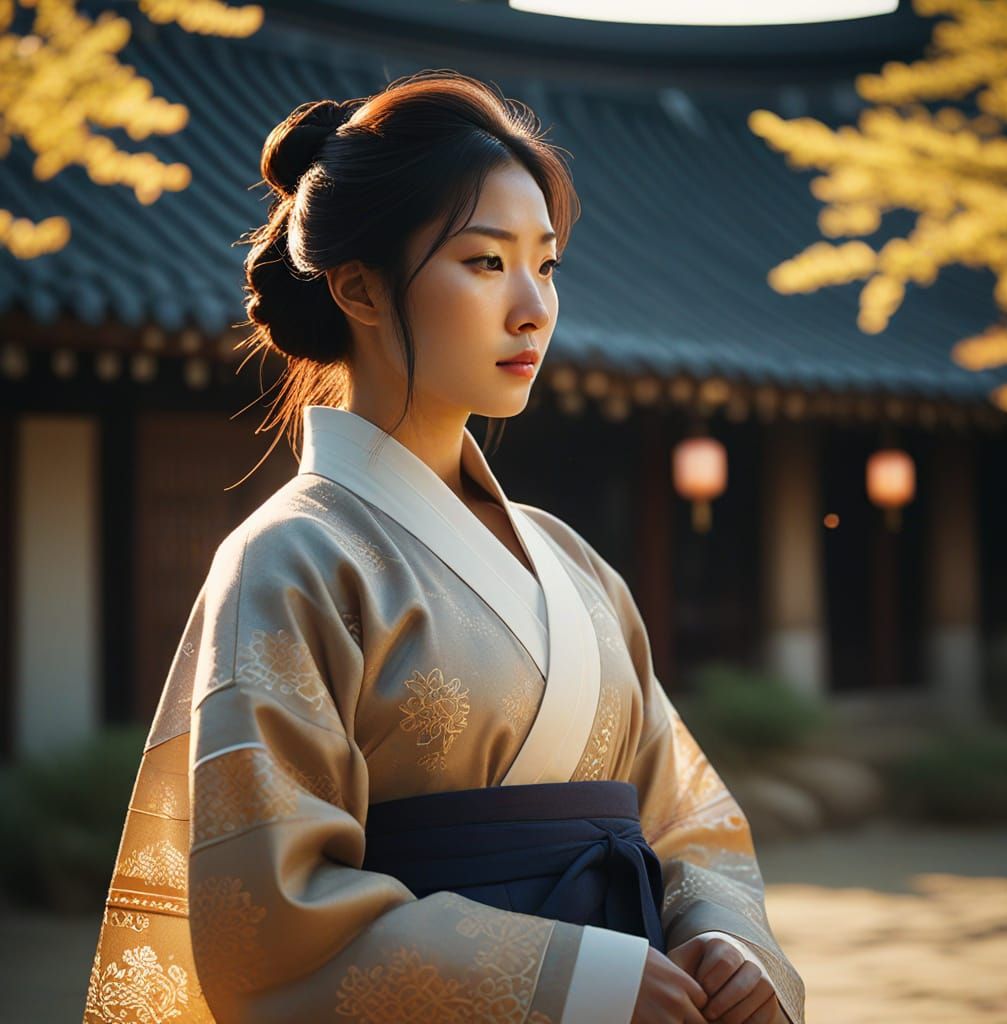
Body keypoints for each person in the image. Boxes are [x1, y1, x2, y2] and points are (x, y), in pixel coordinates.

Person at [83, 70, 805, 1024]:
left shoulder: (574, 564)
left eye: (545, 265)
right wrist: (571, 981)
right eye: (483, 262)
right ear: (359, 288)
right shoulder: (290, 561)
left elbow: (687, 820)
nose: (533, 308)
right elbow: (270, 915)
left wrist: (718, 937)